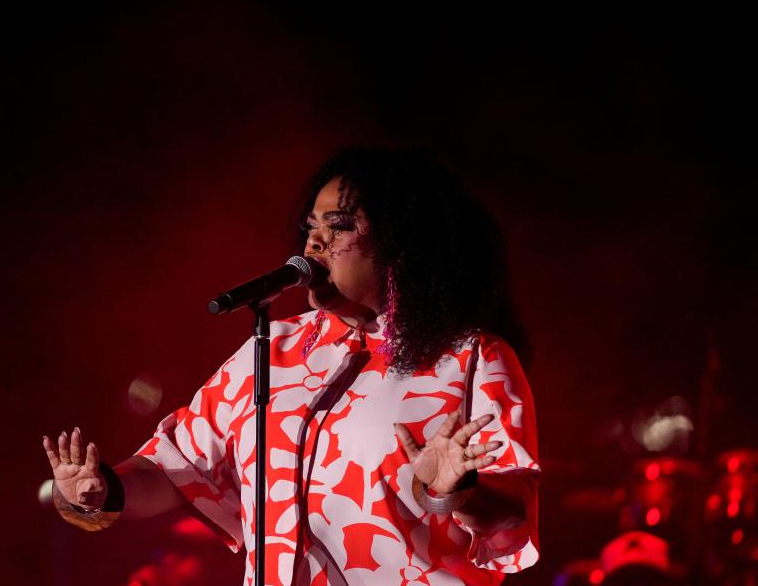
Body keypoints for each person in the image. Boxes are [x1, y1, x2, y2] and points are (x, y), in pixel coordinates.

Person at [42, 147, 540, 585]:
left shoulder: (471, 358)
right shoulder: (273, 350)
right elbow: (174, 468)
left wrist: (452, 491)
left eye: (340, 227)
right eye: (312, 228)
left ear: (402, 246)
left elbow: (513, 511)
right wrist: (100, 490)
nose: (314, 244)